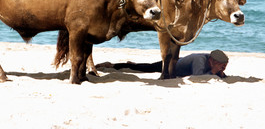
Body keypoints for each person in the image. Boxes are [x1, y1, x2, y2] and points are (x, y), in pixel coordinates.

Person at [96, 49, 229, 78]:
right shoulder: (199, 60)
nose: (222, 68)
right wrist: (213, 72)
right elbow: (198, 77)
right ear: (212, 61)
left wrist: (221, 72)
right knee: (145, 68)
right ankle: (113, 66)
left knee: (146, 66)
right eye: (220, 65)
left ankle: (132, 64)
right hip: (171, 65)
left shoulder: (211, 62)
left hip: (180, 61)